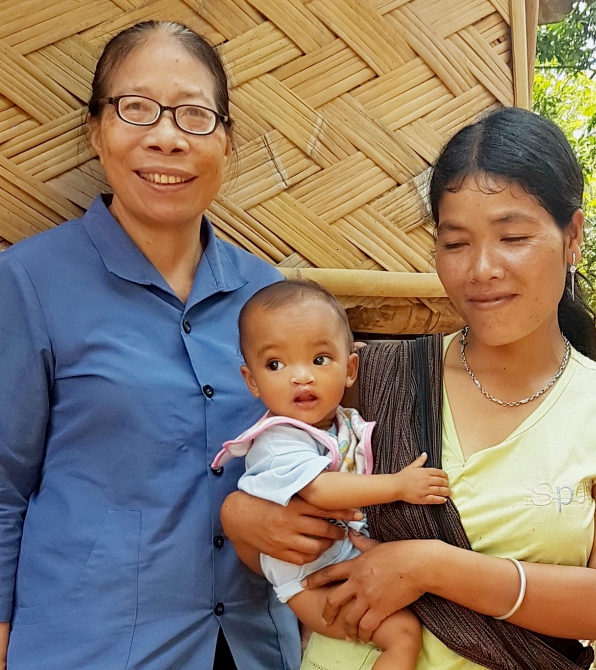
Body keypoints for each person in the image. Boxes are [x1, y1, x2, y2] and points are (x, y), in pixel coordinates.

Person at [220, 107, 596, 669]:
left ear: (572, 236)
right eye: (456, 244)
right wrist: (239, 515)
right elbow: (277, 532)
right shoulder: (376, 378)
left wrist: (428, 566)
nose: (482, 268)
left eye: (513, 237)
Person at [0, 21, 344, 670]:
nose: (166, 137)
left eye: (193, 115)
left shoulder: (270, 298)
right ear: (94, 131)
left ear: (226, 139)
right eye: (136, 109)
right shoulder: (28, 283)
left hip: (250, 647)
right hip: (84, 649)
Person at [215, 280, 452, 670]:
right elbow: (320, 489)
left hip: (340, 557)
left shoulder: (342, 424)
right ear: (252, 380)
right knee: (402, 634)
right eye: (276, 364)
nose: (301, 377)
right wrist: (399, 485)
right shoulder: (277, 438)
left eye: (320, 359)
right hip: (309, 579)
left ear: (350, 369)